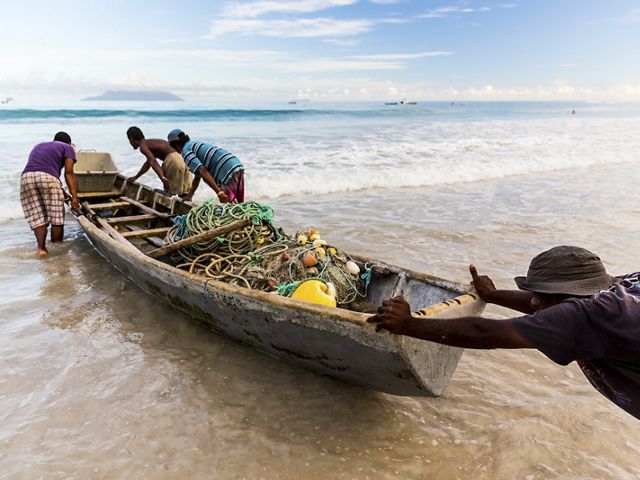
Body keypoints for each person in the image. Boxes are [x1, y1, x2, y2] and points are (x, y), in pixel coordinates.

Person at [368, 246, 640, 420]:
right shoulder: (621, 288)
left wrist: (407, 324)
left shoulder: (586, 316)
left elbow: (486, 333)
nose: (533, 302)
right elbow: (556, 311)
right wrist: (493, 296)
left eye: (539, 294)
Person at [20, 131, 80, 257]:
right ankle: (57, 250)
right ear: (68, 143)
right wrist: (75, 198)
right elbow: (68, 173)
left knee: (38, 216)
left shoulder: (39, 146)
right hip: (48, 178)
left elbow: (43, 170)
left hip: (26, 178)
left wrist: (63, 192)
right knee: (56, 217)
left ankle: (41, 249)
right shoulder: (68, 147)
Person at [167, 129, 244, 203]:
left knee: (228, 204)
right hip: (236, 164)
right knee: (240, 204)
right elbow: (198, 176)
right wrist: (190, 196)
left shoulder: (185, 151)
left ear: (175, 146)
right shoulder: (193, 144)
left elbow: (202, 170)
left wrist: (219, 192)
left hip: (226, 169)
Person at [126, 126, 192, 195]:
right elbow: (148, 163)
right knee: (185, 192)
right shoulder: (152, 142)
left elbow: (153, 161)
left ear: (131, 139)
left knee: (172, 192)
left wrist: (162, 178)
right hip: (183, 159)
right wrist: (136, 177)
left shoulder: (143, 145)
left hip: (173, 160)